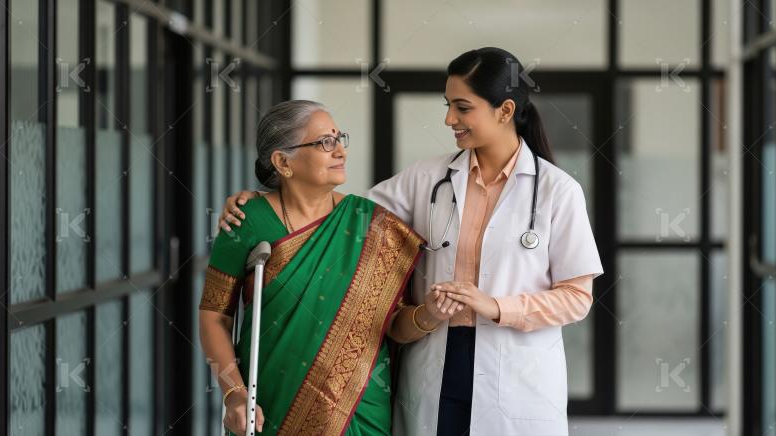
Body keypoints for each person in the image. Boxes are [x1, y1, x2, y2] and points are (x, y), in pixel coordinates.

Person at [218, 47, 603, 436]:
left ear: (504, 111)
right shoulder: (427, 178)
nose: (449, 118)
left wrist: (495, 306)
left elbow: (577, 297)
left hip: (516, 375)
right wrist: (262, 199)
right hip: (434, 361)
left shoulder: (557, 191)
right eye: (448, 105)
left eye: (462, 107)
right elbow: (337, 218)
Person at [198, 100, 452, 436]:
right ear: (282, 162)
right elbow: (214, 317)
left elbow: (392, 325)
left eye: (338, 138)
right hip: (271, 406)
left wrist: (428, 316)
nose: (340, 152)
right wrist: (234, 393)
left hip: (360, 410)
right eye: (324, 143)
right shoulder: (246, 220)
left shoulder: (371, 224)